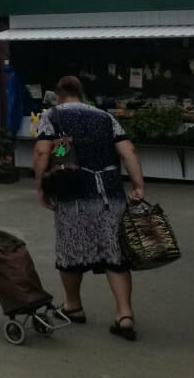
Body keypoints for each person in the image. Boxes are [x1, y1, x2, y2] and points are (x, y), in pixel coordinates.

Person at [34, 75, 145, 341]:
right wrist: (138, 185)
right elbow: (128, 151)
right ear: (82, 95)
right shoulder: (105, 117)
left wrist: (41, 187)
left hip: (72, 193)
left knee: (71, 248)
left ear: (58, 96)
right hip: (110, 193)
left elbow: (42, 152)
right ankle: (124, 314)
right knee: (114, 252)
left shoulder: (52, 116)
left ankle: (73, 305)